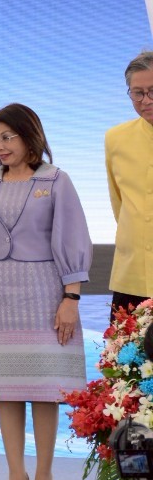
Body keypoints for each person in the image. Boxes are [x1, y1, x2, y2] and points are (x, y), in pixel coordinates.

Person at [0, 104, 89, 480]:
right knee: (8, 388)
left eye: (7, 137)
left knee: (44, 388)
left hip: (46, 291)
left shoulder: (55, 180)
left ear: (29, 136)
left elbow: (72, 238)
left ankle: (45, 474)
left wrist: (71, 299)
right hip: (0, 293)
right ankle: (17, 474)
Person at [106, 50, 153, 319]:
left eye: (152, 91)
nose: (146, 100)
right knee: (124, 347)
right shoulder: (116, 138)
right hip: (131, 275)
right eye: (138, 93)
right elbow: (119, 204)